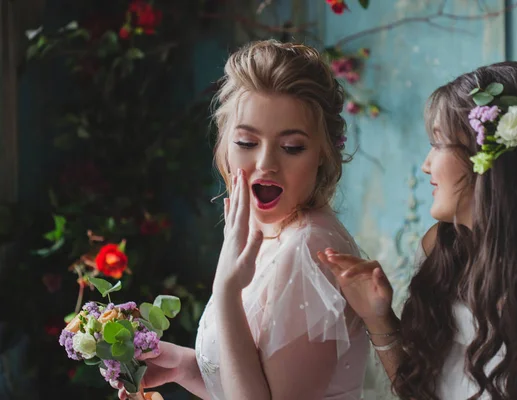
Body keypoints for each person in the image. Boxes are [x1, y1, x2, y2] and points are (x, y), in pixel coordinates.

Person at [319, 62, 517, 399]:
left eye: (438, 144)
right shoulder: (442, 250)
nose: (426, 165)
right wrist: (377, 318)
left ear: (493, 160)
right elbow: (420, 390)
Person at [113, 39, 369, 400]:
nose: (266, 164)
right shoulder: (269, 231)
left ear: (323, 156)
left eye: (292, 147)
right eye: (247, 142)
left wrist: (227, 290)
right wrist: (187, 367)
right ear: (223, 145)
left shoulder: (308, 249)